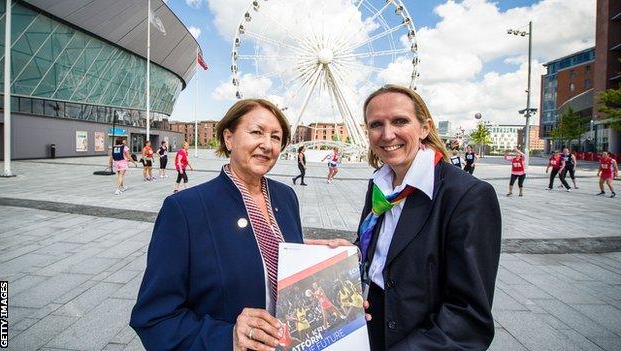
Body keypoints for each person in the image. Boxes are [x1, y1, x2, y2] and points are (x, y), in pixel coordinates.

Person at [311, 85, 501, 350]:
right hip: (367, 325)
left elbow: (468, 318)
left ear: (425, 127)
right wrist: (353, 255)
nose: (388, 134)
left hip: (419, 337)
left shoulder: (467, 195)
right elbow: (390, 254)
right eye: (376, 124)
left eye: (400, 121)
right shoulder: (379, 186)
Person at [130, 99, 303, 350]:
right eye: (256, 132)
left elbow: (276, 260)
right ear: (229, 138)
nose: (267, 145)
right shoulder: (184, 209)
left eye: (276, 138)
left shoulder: (286, 197)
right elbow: (155, 318)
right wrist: (227, 338)